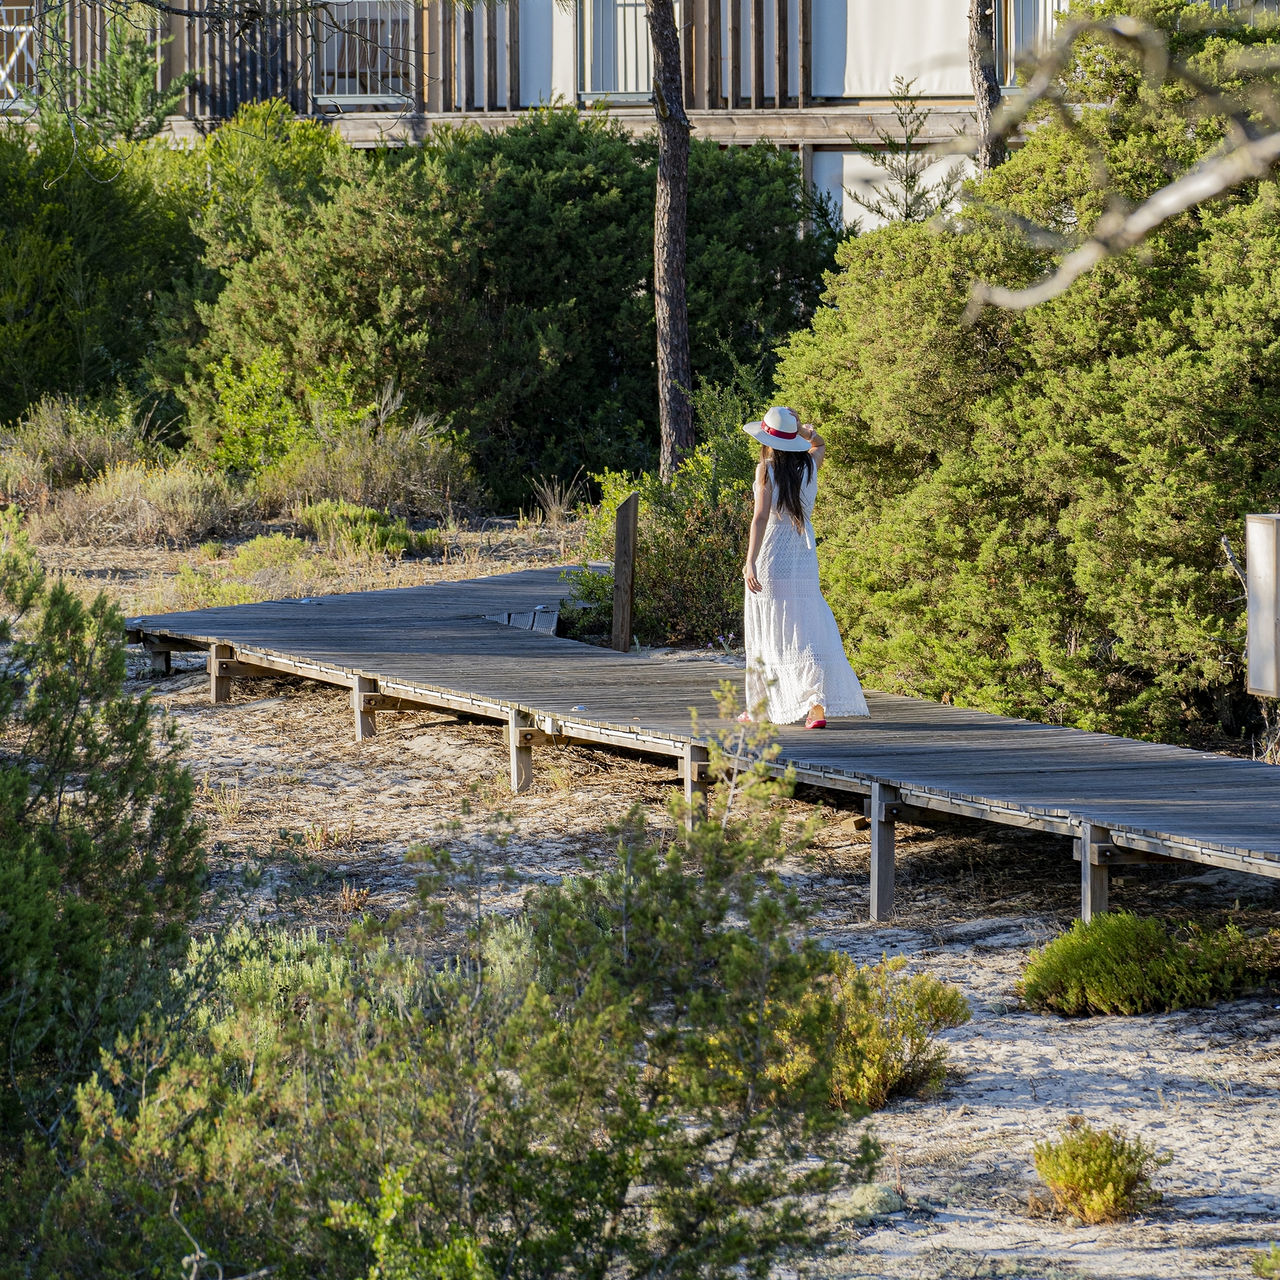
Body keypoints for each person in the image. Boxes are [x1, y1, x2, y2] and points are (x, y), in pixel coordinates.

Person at [740, 406, 870, 728]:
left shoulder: (765, 469)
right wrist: (806, 434)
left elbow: (759, 517)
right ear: (792, 441)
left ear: (766, 439)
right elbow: (820, 444)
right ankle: (815, 703)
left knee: (770, 630)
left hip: (772, 554)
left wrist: (750, 561)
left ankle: (761, 707)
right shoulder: (809, 466)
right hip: (802, 556)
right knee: (806, 627)